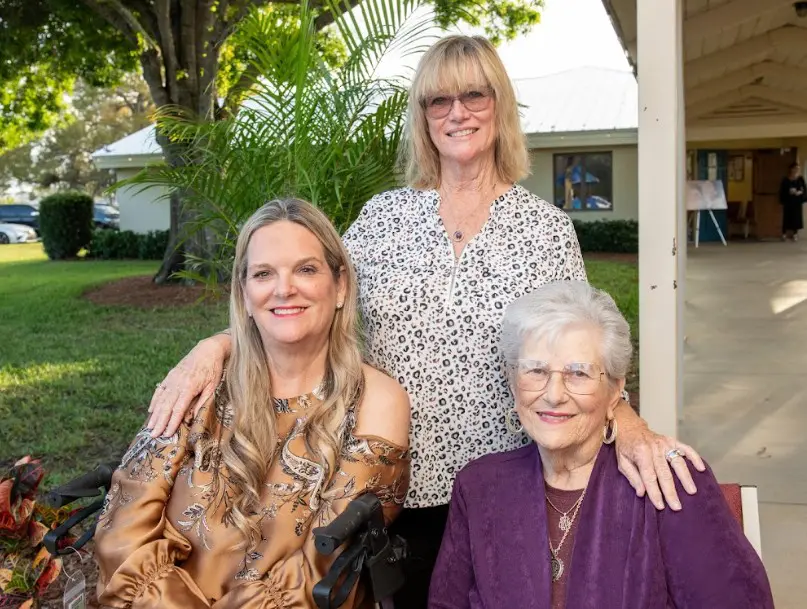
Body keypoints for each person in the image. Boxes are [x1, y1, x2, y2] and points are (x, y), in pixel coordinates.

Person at [143, 35, 705, 607]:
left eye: (473, 95)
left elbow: (583, 343)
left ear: (499, 106)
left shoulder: (545, 230)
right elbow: (305, 300)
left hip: (501, 492)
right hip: (377, 490)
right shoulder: (384, 218)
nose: (457, 112)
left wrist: (627, 420)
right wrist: (216, 345)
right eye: (439, 101)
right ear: (423, 118)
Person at [93, 199, 411, 608]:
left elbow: (322, 571)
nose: (284, 289)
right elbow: (123, 528)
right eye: (263, 274)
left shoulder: (376, 400)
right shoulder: (201, 381)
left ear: (341, 286)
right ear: (244, 294)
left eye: (306, 269)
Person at [429, 281, 774, 609]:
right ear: (513, 382)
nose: (553, 394)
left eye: (578, 373)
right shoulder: (479, 487)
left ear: (614, 391)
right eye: (536, 370)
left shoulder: (668, 483)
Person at [779, 161, 805, 241]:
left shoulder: (800, 179)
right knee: (786, 217)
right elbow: (782, 190)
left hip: (797, 201)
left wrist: (799, 192)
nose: (796, 170)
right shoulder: (786, 179)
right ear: (791, 169)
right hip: (788, 201)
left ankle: (795, 234)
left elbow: (804, 189)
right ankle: (784, 233)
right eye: (795, 168)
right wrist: (789, 192)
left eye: (798, 169)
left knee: (796, 217)